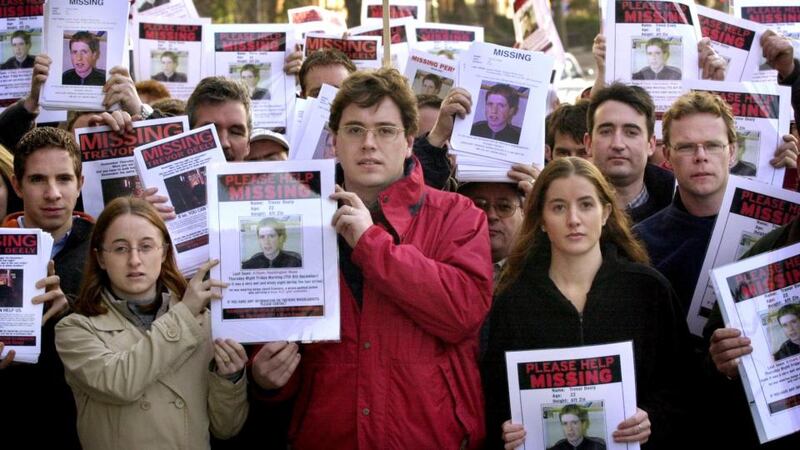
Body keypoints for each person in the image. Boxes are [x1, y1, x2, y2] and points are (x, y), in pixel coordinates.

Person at [248, 68, 493, 449]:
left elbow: (463, 312)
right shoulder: (295, 220)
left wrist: (370, 242)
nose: (369, 143)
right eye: (355, 130)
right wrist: (267, 380)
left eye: (385, 130)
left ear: (410, 141)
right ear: (334, 142)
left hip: (429, 437)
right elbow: (288, 345)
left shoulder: (458, 214)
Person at [483, 157, 694, 450]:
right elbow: (494, 395)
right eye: (558, 207)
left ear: (606, 212)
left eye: (586, 204)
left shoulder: (648, 290)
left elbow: (685, 386)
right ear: (542, 220)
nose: (573, 219)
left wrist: (653, 418)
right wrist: (504, 428)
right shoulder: (513, 299)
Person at [54, 197, 248, 449]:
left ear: (165, 252)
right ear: (101, 258)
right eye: (121, 248)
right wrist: (185, 313)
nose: (134, 260)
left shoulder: (203, 323)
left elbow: (226, 428)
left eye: (146, 246)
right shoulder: (74, 329)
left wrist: (230, 378)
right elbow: (120, 383)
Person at [634, 91, 798, 314]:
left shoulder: (780, 232)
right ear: (667, 155)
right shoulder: (639, 243)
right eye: (686, 147)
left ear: (731, 152)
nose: (701, 156)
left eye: (712, 145)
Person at [585, 83, 675, 224]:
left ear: (650, 144)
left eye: (631, 133)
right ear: (589, 143)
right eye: (606, 132)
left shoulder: (679, 203)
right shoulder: (566, 213)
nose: (618, 144)